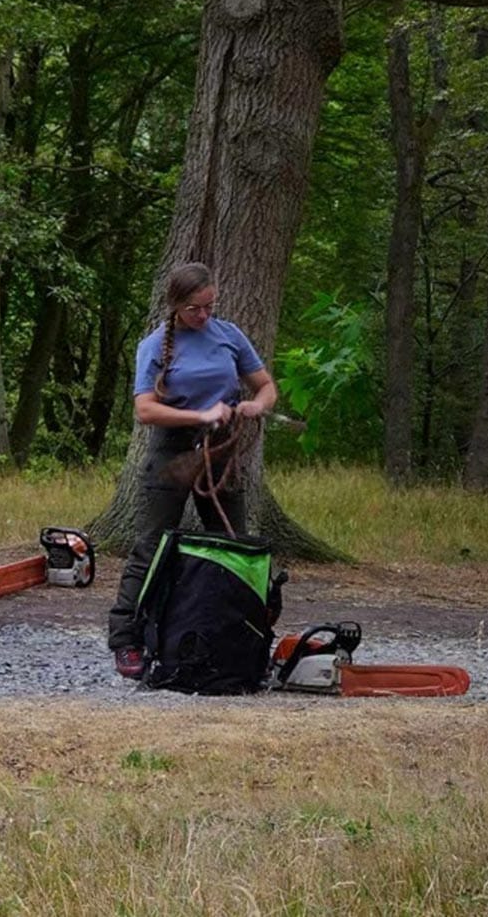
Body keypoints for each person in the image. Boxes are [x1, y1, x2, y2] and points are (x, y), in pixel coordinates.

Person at [107, 262, 278, 680]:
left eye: (209, 307)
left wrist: (257, 404)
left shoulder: (229, 335)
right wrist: (200, 416)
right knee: (151, 546)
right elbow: (145, 410)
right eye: (194, 309)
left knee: (232, 542)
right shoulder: (154, 345)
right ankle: (125, 639)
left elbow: (266, 385)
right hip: (174, 451)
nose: (203, 316)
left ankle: (242, 634)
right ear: (176, 307)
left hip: (221, 450)